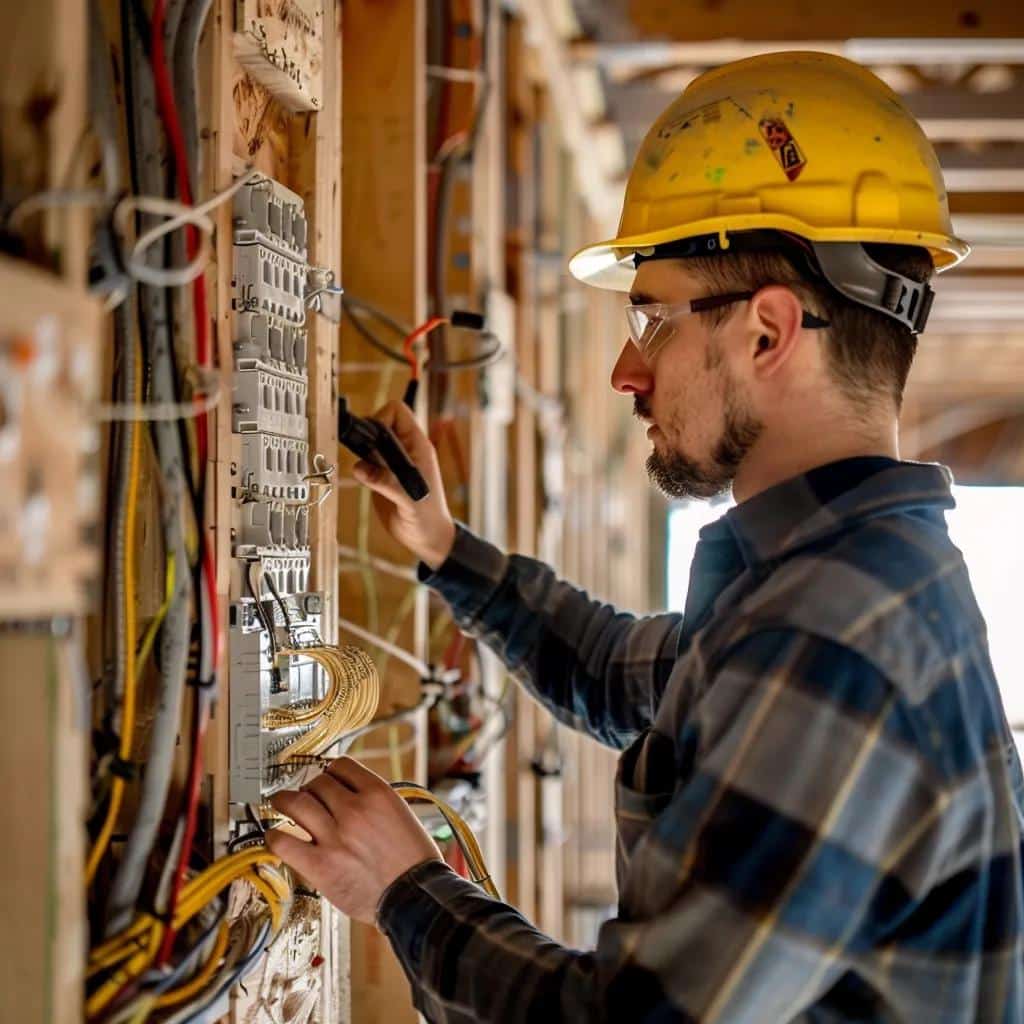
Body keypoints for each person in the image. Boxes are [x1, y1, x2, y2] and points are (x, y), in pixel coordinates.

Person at [267, 52, 1024, 1021]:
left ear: (767, 332)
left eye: (651, 316)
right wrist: (442, 544)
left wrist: (403, 891)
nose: (627, 369)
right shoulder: (827, 586)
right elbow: (614, 673)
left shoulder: (834, 636)